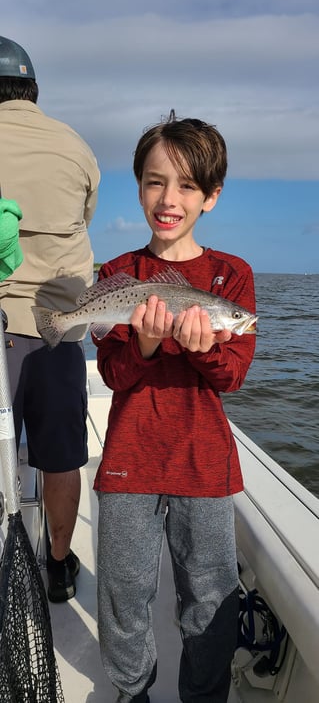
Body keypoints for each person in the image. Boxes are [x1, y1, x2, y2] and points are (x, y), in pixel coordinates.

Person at [92, 112, 256, 703]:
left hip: (204, 464)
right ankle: (130, 692)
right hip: (128, 463)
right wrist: (143, 342)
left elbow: (232, 374)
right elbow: (113, 373)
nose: (169, 199)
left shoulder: (230, 277)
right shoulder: (115, 277)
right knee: (122, 597)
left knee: (211, 605)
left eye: (187, 185)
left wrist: (203, 347)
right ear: (137, 187)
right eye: (156, 181)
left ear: (211, 197)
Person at [0, 36, 100, 603]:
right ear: (33, 89)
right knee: (61, 456)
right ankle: (58, 565)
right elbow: (85, 211)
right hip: (60, 327)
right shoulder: (75, 145)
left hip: (0, 328)